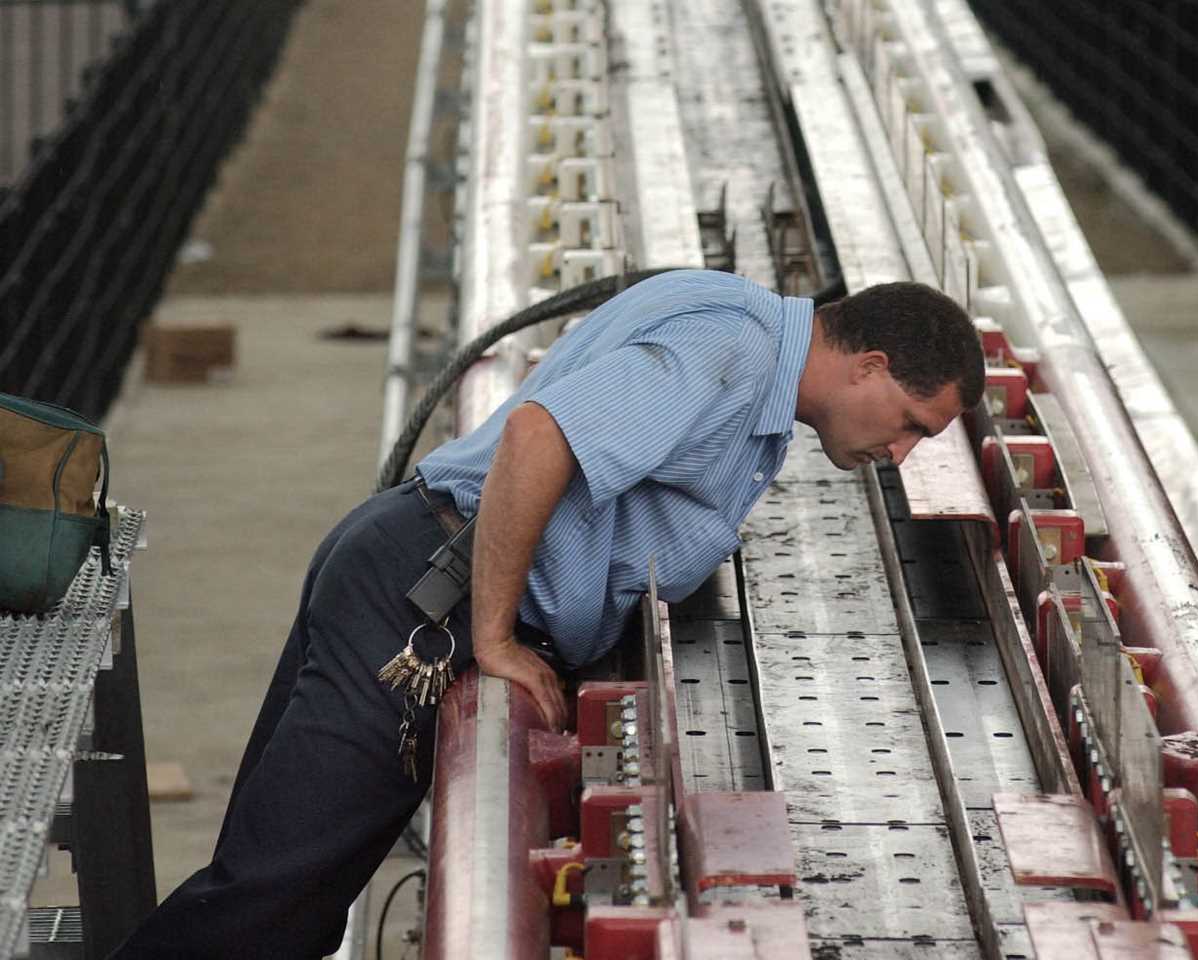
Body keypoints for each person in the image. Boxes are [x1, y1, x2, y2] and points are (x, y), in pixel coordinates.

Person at [110, 269, 984, 958]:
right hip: (425, 599)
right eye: (910, 424)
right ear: (869, 366)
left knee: (280, 898)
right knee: (268, 901)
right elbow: (540, 435)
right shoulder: (738, 354)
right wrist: (491, 635)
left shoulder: (742, 331)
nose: (900, 454)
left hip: (410, 567)